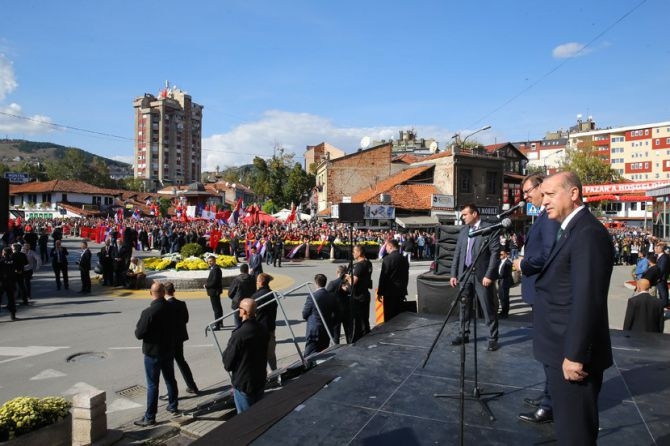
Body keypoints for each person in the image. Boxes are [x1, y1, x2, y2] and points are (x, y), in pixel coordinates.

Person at [534, 171, 614, 444]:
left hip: (573, 357)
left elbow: (587, 298)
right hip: (559, 348)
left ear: (573, 193)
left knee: (575, 435)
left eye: (549, 194)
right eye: (542, 195)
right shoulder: (569, 229)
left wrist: (575, 354)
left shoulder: (588, 233)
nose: (543, 201)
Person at [513, 172, 561, 425]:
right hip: (538, 291)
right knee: (544, 352)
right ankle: (548, 395)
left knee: (549, 352)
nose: (526, 196)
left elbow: (548, 255)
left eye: (528, 191)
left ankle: (550, 405)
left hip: (544, 290)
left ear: (541, 187)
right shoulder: (542, 215)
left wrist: (524, 264)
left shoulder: (550, 218)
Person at [449, 203, 501, 352]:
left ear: (475, 214)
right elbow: (458, 254)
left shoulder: (489, 229)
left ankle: (492, 338)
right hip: (465, 274)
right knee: (464, 306)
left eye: (465, 214)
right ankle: (463, 333)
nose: (462, 217)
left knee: (487, 307)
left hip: (482, 275)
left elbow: (495, 254)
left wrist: (489, 274)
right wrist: (454, 274)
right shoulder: (464, 231)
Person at [134, 282, 179, 426]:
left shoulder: (148, 312)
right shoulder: (172, 308)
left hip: (153, 353)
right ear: (164, 292)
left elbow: (139, 334)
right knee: (170, 379)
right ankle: (173, 405)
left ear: (150, 293)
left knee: (153, 384)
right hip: (168, 349)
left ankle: (150, 417)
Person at [222, 298, 270, 414]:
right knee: (258, 414)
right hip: (259, 380)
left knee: (245, 420)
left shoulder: (239, 335)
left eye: (240, 308)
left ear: (244, 312)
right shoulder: (263, 329)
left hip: (244, 384)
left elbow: (228, 364)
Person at [165, 282, 199, 394]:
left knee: (168, 366)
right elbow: (186, 319)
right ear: (173, 290)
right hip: (179, 338)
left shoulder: (165, 306)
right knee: (181, 361)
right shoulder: (181, 304)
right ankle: (192, 385)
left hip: (168, 340)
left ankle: (171, 392)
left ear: (165, 292)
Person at [303, 274, 337, 356]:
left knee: (309, 355)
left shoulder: (313, 296)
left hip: (314, 330)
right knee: (323, 354)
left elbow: (305, 314)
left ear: (316, 283)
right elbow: (335, 313)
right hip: (326, 329)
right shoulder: (331, 296)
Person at [377, 239, 409, 323]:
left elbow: (383, 277)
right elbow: (406, 276)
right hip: (401, 291)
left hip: (390, 292)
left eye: (386, 247)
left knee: (390, 317)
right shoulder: (404, 259)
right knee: (400, 317)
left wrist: (380, 292)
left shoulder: (387, 259)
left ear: (391, 247)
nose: (385, 249)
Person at [346, 244, 373, 342]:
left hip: (358, 296)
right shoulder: (368, 263)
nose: (353, 253)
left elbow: (354, 282)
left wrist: (348, 277)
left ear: (359, 252)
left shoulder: (359, 266)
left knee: (359, 320)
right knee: (365, 319)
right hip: (365, 294)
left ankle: (361, 340)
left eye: (354, 251)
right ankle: (367, 337)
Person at [253, 273, 278, 372]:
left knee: (260, 355)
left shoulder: (256, 296)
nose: (256, 283)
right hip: (270, 327)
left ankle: (263, 376)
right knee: (271, 354)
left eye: (258, 281)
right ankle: (275, 373)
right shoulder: (272, 293)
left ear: (262, 283)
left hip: (260, 328)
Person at [326, 265, 351, 343]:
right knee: (349, 333)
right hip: (347, 310)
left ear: (337, 272)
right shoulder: (349, 283)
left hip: (336, 313)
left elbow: (327, 297)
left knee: (335, 335)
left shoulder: (333, 283)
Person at [228, 263, 256, 328]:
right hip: (249, 303)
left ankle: (238, 334)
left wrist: (234, 298)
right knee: (248, 321)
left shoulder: (237, 279)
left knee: (237, 321)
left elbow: (230, 293)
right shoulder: (252, 279)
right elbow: (255, 291)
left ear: (240, 270)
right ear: (247, 270)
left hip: (238, 303)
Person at [205, 255, 223, 330]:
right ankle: (220, 322)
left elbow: (214, 281)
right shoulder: (214, 268)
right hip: (214, 291)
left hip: (214, 291)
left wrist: (206, 285)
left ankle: (217, 325)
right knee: (218, 307)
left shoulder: (215, 269)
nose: (210, 263)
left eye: (211, 261)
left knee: (216, 309)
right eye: (208, 261)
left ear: (215, 261)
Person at [0, 247, 18, 321]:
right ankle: (12, 315)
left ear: (4, 253)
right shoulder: (13, 261)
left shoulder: (1, 261)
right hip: (11, 282)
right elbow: (17, 270)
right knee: (11, 299)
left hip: (2, 283)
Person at [497, 249, 513, 319]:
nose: (500, 256)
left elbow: (506, 273)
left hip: (505, 281)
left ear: (505, 255)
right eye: (500, 254)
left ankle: (505, 312)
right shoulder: (501, 262)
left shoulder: (508, 262)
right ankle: (503, 311)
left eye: (501, 254)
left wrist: (498, 276)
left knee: (505, 297)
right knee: (501, 296)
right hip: (500, 281)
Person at [654, 242, 669, 308]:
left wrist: (657, 277)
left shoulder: (664, 257)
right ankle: (662, 305)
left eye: (657, 248)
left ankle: (664, 304)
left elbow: (661, 269)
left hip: (661, 278)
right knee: (660, 293)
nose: (655, 249)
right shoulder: (659, 256)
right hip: (659, 278)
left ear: (661, 249)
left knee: (663, 293)